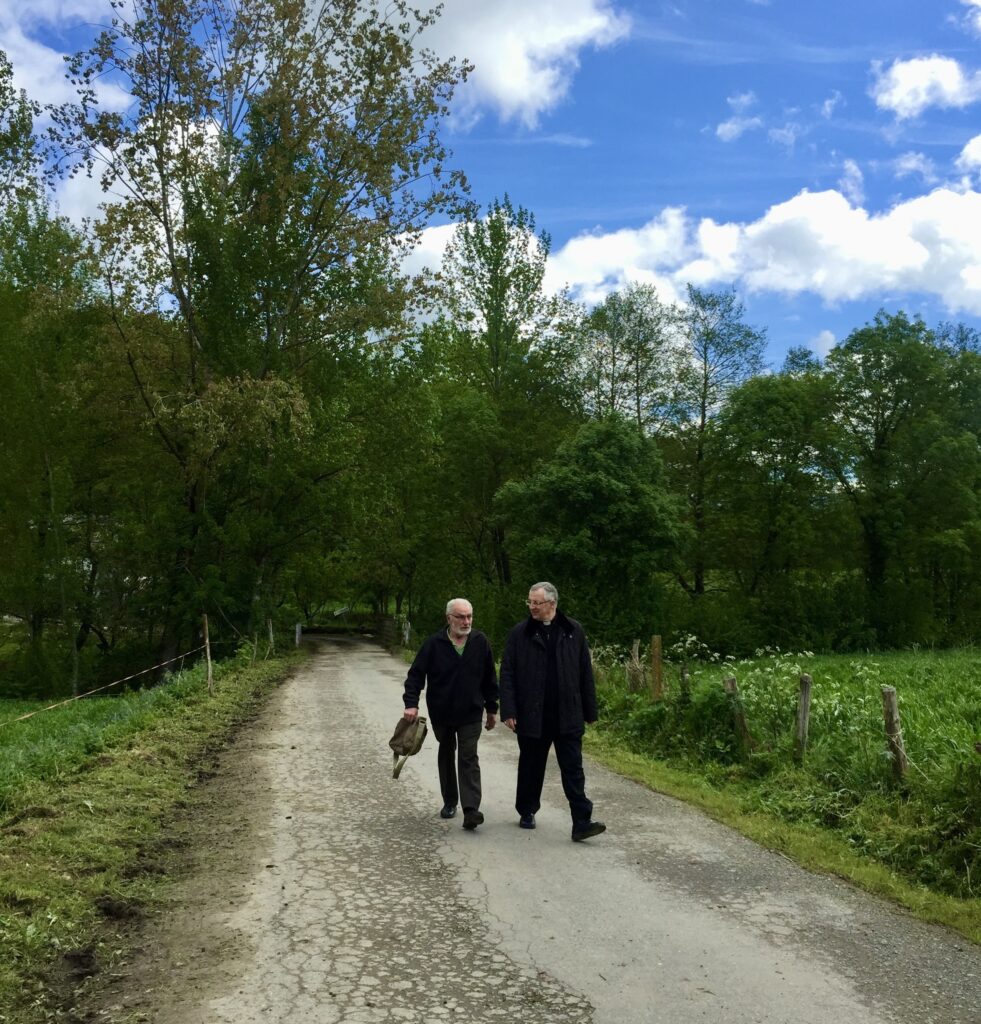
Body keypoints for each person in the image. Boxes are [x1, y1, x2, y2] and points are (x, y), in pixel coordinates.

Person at [500, 582, 605, 842]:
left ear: (553, 604)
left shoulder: (573, 631)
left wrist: (590, 710)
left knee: (573, 769)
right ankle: (527, 810)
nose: (532, 607)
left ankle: (582, 822)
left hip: (567, 713)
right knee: (531, 766)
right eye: (530, 602)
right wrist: (509, 709)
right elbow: (508, 672)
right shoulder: (520, 633)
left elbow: (585, 672)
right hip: (532, 714)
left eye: (537, 603)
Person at [402, 598, 498, 830]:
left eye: (469, 616)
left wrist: (491, 708)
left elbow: (489, 678)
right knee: (446, 752)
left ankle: (471, 810)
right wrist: (411, 704)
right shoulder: (433, 644)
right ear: (449, 618)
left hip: (471, 712)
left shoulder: (480, 641)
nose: (466, 621)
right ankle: (450, 801)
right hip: (442, 712)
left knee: (468, 755)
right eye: (461, 617)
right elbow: (416, 676)